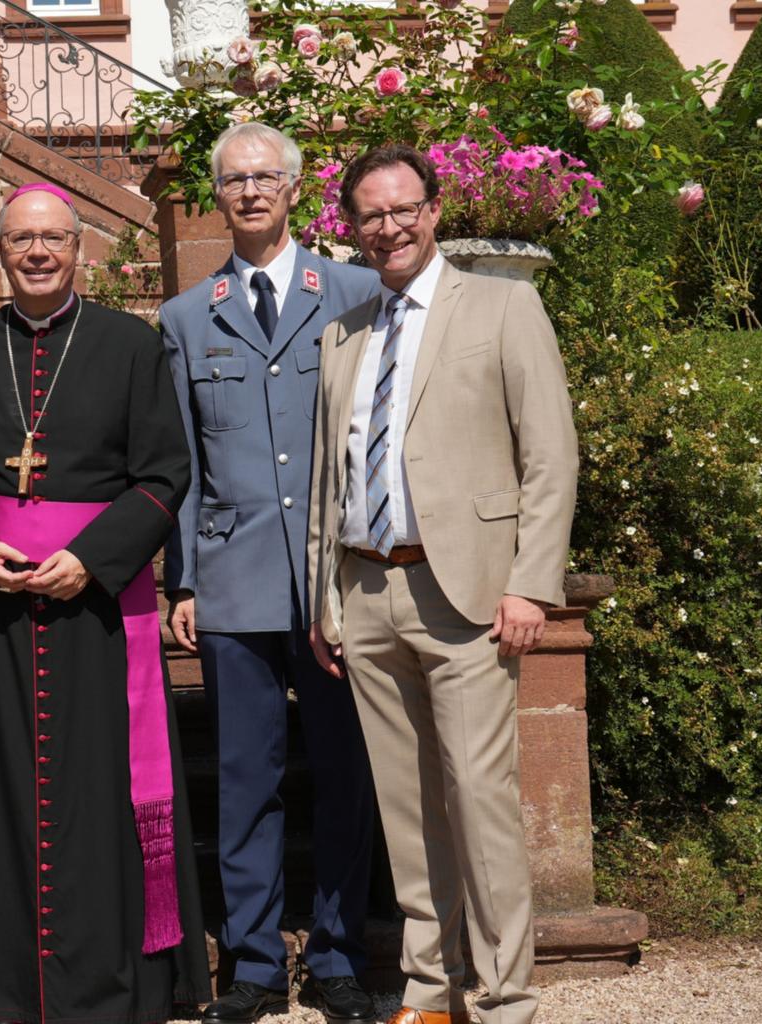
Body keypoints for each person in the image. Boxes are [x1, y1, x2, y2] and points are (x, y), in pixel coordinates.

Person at [0, 182, 212, 1023]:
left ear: (81, 249)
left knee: (102, 797)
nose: (37, 252)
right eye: (20, 240)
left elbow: (164, 474)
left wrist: (92, 559)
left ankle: (112, 984)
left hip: (99, 615)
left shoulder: (127, 345)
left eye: (52, 238)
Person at [305, 144, 577, 1024]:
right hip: (368, 593)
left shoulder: (503, 305)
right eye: (369, 215)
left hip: (466, 596)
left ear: (433, 210)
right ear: (351, 228)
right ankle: (429, 992)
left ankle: (504, 999)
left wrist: (532, 584)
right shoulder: (343, 332)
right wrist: (326, 598)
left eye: (402, 209)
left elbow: (549, 456)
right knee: (408, 811)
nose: (387, 227)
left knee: (481, 803)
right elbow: (327, 478)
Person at [160, 123, 381, 1024]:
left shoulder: (356, 292)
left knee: (343, 772)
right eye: (234, 180)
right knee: (246, 783)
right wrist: (181, 580)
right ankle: (251, 966)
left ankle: (336, 957)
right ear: (218, 195)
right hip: (235, 583)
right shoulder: (186, 314)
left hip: (337, 585)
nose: (250, 192)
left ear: (295, 189)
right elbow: (178, 462)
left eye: (266, 177)